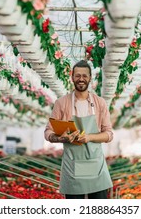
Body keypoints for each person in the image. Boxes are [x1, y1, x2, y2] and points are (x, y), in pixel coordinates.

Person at [44, 60, 113, 199]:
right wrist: (60, 138)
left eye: (85, 76)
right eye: (77, 75)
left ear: (90, 78)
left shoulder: (100, 103)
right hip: (72, 165)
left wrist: (89, 137)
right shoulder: (62, 103)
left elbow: (109, 134)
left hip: (95, 165)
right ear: (72, 77)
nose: (81, 79)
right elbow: (48, 132)